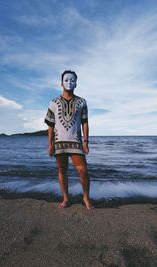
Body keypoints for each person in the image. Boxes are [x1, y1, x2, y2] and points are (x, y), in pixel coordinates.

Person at [44, 70, 94, 210]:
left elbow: (85, 122)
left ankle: (86, 198)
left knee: (83, 170)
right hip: (59, 143)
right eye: (66, 80)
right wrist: (50, 144)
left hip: (76, 142)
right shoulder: (53, 102)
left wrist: (86, 142)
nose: (69, 82)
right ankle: (66, 198)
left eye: (72, 80)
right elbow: (51, 125)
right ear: (61, 83)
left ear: (76, 83)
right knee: (62, 170)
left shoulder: (81, 102)